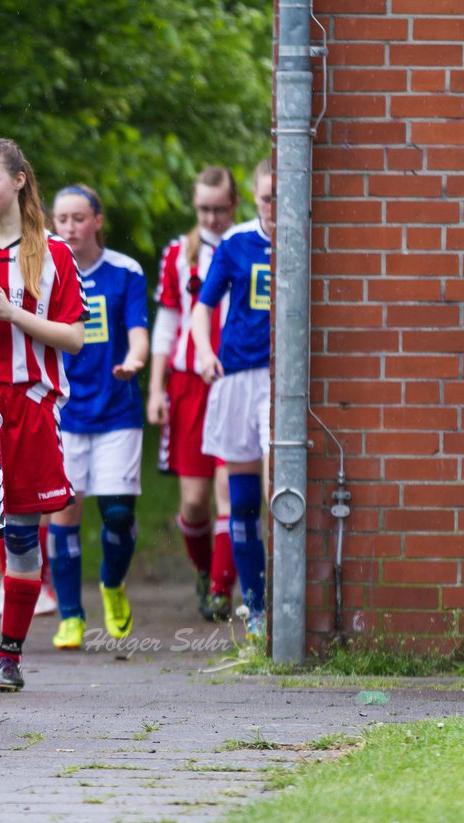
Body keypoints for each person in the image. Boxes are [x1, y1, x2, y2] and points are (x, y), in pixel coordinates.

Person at [0, 139, 87, 690]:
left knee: (19, 535)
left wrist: (13, 313)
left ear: (18, 180)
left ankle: (10, 654)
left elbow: (75, 336)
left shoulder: (54, 253)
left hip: (29, 404)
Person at [47, 183, 150, 650]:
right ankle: (70, 616)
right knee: (63, 512)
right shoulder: (43, 268)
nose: (69, 227)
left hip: (116, 410)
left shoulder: (125, 272)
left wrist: (136, 360)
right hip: (63, 409)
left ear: (97, 221)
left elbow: (138, 330)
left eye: (79, 218)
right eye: (62, 219)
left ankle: (112, 583)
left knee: (116, 514)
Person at [148, 168, 240, 622]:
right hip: (187, 384)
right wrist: (156, 390)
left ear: (234, 206)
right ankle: (205, 571)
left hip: (236, 376)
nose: (212, 217)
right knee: (193, 501)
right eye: (204, 208)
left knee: (230, 487)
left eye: (219, 209)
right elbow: (166, 323)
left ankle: (223, 590)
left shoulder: (247, 246)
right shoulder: (179, 253)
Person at [191, 160, 275, 642]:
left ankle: (288, 605)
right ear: (255, 197)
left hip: (282, 385)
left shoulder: (305, 238)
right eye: (267, 197)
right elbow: (204, 307)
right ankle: (258, 610)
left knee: (277, 495)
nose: (274, 206)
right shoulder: (236, 244)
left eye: (282, 197)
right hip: (237, 379)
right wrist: (204, 352)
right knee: (241, 501)